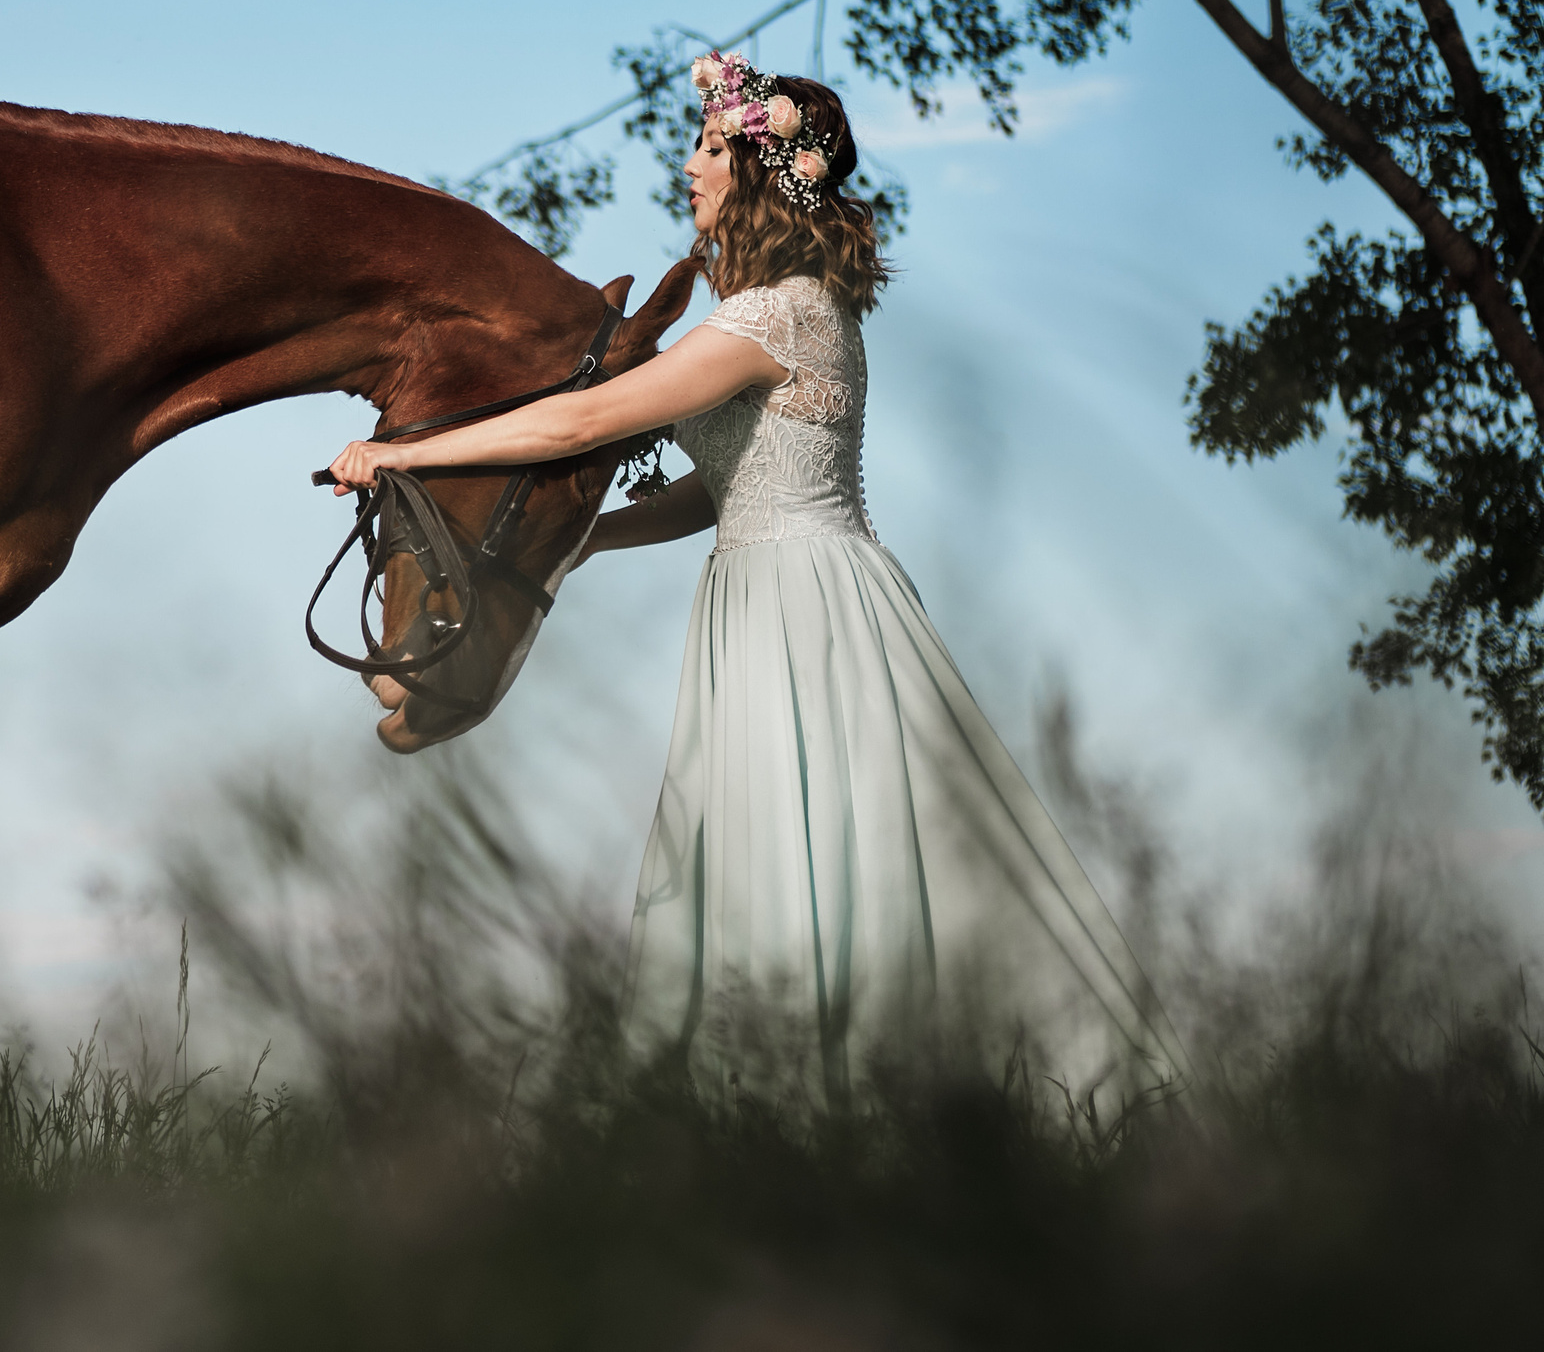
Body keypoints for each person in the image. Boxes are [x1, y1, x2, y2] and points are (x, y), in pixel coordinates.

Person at [326, 54, 1185, 1110]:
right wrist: (595, 543)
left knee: (811, 829)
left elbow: (588, 420)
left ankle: (823, 1098)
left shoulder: (773, 317)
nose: (688, 167)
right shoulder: (786, 314)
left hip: (799, 598)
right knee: (790, 830)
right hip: (777, 586)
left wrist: (402, 455)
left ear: (760, 172)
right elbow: (717, 487)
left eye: (707, 148)